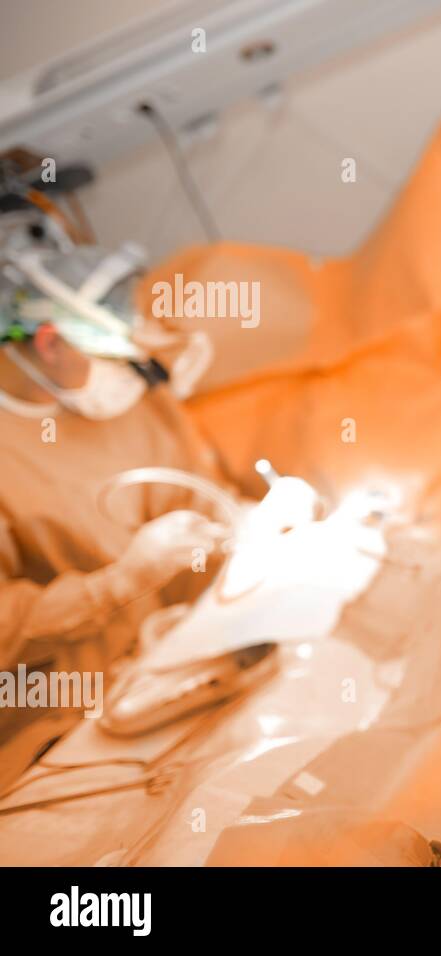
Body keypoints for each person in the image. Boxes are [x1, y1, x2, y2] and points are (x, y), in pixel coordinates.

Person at [0, 223, 227, 789]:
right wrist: (120, 584)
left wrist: (247, 525)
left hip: (183, 656)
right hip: (64, 712)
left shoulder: (133, 401)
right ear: (49, 342)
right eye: (114, 354)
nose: (131, 377)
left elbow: (197, 491)